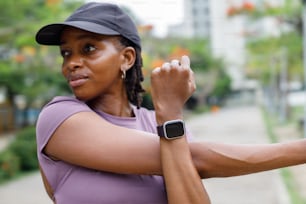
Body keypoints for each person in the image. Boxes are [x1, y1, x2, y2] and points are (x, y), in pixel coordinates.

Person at [35, 2, 306, 204]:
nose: (71, 63)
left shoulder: (159, 123)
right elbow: (197, 159)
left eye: (88, 48)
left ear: (127, 58)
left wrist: (168, 118)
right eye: (66, 53)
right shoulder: (60, 118)